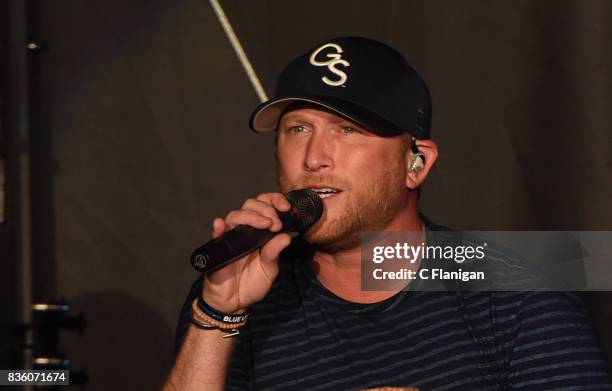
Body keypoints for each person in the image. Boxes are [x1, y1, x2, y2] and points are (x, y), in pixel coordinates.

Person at [163, 37, 611, 390]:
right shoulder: (237, 293)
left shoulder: (514, 289)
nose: (315, 156)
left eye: (348, 130)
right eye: (298, 129)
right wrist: (218, 313)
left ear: (416, 164)